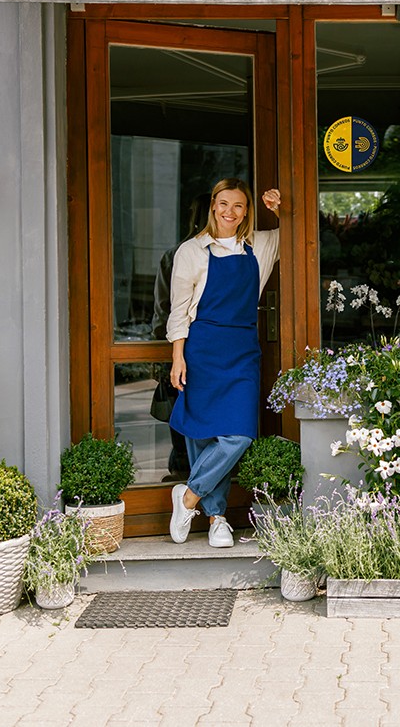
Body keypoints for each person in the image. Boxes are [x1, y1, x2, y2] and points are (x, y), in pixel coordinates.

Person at [166, 178, 281, 548]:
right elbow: (179, 311)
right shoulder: (192, 251)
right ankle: (217, 519)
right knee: (202, 435)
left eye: (239, 206)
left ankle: (188, 497)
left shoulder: (260, 245)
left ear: (247, 211)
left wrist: (280, 207)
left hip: (242, 350)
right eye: (223, 203)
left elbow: (302, 232)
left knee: (238, 435)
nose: (230, 212)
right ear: (213, 205)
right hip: (202, 348)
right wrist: (177, 357)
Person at [151, 192, 211, 480]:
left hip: (182, 346)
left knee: (181, 411)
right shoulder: (180, 254)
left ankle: (184, 473)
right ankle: (197, 478)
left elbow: (162, 309)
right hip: (198, 348)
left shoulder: (174, 254)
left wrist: (161, 353)